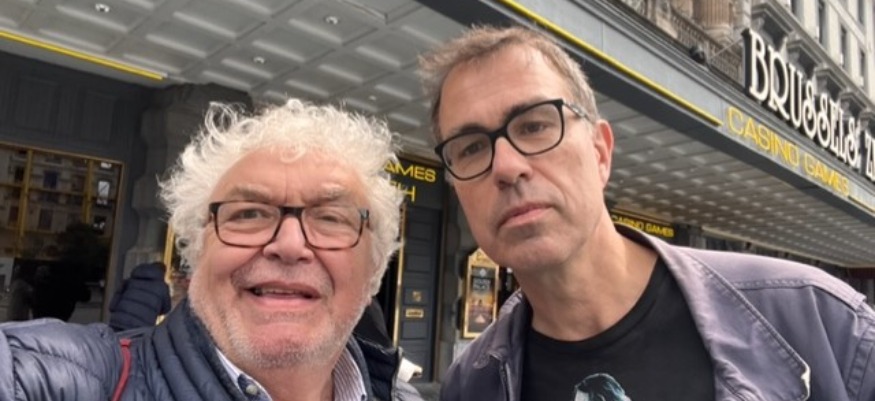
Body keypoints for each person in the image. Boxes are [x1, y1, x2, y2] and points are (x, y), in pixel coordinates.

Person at [418, 25, 875, 400]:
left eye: (535, 125)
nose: (505, 166)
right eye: (471, 148)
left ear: (600, 152)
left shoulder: (815, 322)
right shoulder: (471, 386)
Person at [0, 99, 422, 401]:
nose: (290, 245)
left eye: (331, 218)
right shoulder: (51, 379)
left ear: (374, 271)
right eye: (249, 214)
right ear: (197, 250)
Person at [108, 261, 172, 331]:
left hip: (118, 321)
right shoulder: (162, 287)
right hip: (140, 328)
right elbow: (166, 309)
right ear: (163, 273)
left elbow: (113, 305)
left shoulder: (130, 281)